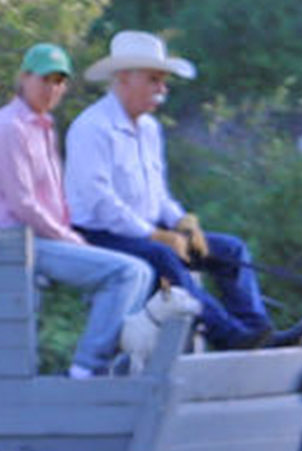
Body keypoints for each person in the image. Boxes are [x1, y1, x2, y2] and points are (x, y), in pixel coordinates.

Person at [63, 29, 271, 351]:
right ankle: (228, 335)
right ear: (123, 79)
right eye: (154, 80)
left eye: (163, 81)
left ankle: (259, 334)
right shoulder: (91, 128)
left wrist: (182, 222)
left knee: (231, 251)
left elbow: (158, 193)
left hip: (146, 232)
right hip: (99, 235)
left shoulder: (149, 128)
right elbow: (101, 202)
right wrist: (155, 235)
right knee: (163, 256)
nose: (162, 89)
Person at [0, 43, 155, 376]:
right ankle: (87, 368)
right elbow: (23, 203)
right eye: (45, 79)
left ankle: (115, 362)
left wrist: (70, 233)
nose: (53, 88)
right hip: (15, 243)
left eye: (60, 81)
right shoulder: (8, 128)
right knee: (124, 273)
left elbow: (54, 197)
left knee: (141, 269)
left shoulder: (42, 126)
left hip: (42, 238)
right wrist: (68, 238)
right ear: (24, 78)